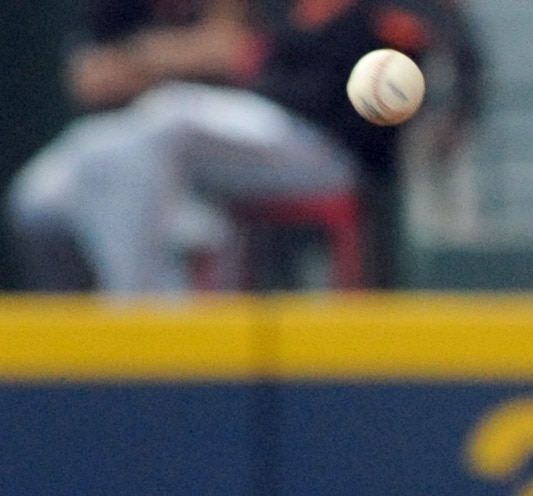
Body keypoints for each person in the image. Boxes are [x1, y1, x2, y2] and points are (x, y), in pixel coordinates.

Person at [8, 0, 479, 295]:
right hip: (245, 139)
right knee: (45, 196)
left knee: (164, 119)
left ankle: (141, 315)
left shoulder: (393, 11)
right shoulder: (287, 13)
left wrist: (451, 124)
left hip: (327, 151)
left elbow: (462, 57)